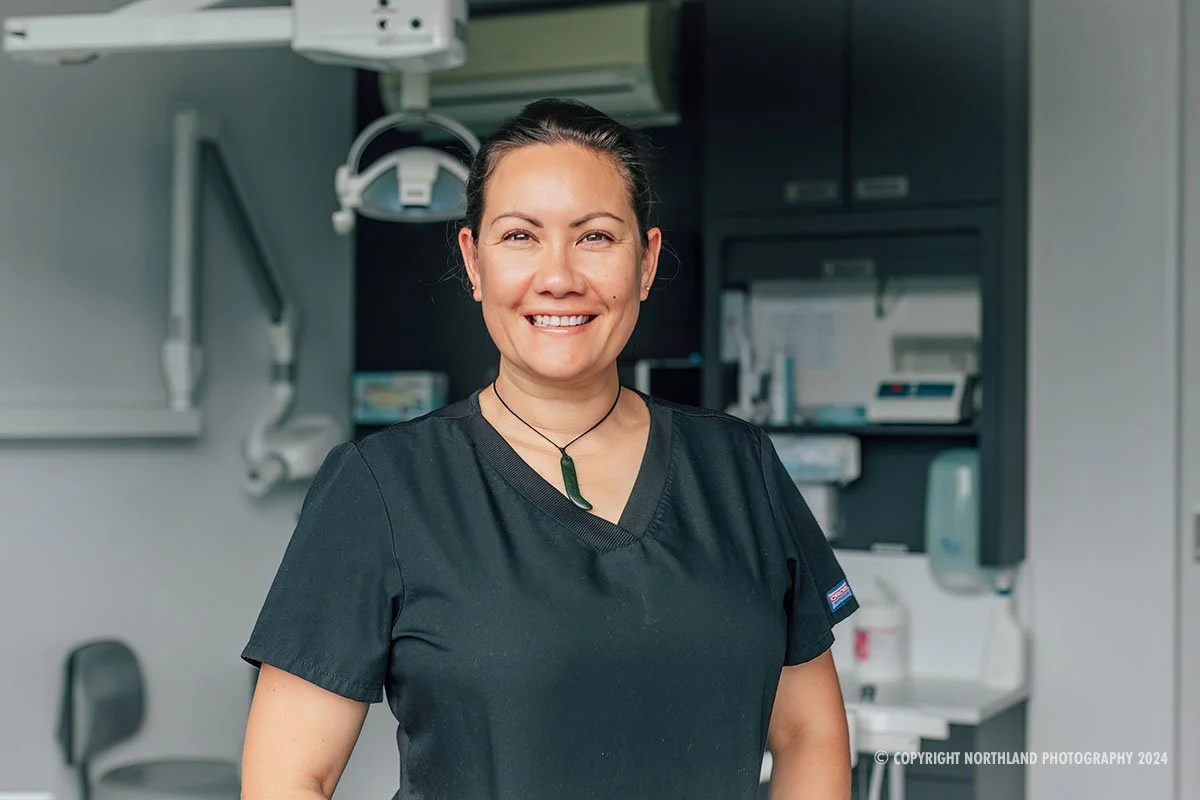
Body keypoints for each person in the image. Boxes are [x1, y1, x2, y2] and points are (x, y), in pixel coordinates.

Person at [240, 98, 859, 800]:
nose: (559, 275)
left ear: (647, 260)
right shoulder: (383, 489)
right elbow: (287, 779)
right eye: (519, 237)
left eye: (595, 237)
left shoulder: (739, 468)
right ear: (473, 262)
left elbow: (810, 735)